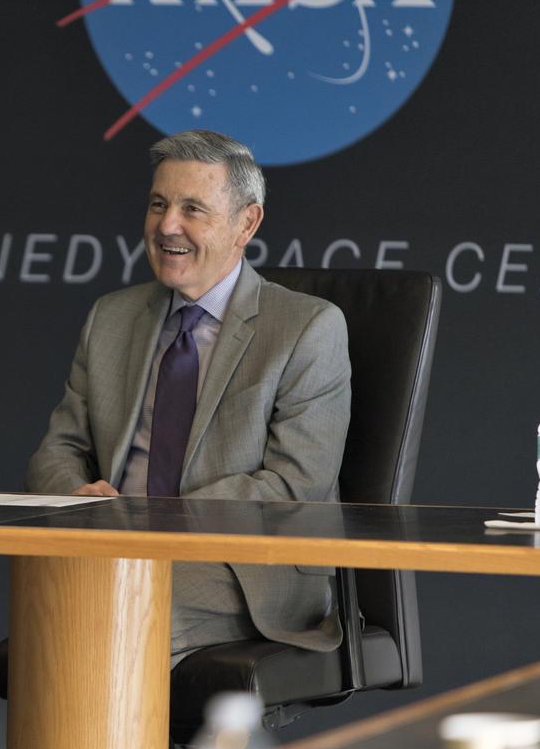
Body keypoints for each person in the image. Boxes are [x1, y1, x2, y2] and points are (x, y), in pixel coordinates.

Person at [27, 129, 350, 666]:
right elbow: (54, 454)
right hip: (113, 548)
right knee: (49, 599)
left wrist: (154, 521)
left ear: (246, 223)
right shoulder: (112, 317)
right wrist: (82, 497)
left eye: (192, 209)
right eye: (158, 204)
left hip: (242, 564)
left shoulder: (307, 327)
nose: (166, 226)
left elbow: (294, 484)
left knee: (118, 607)